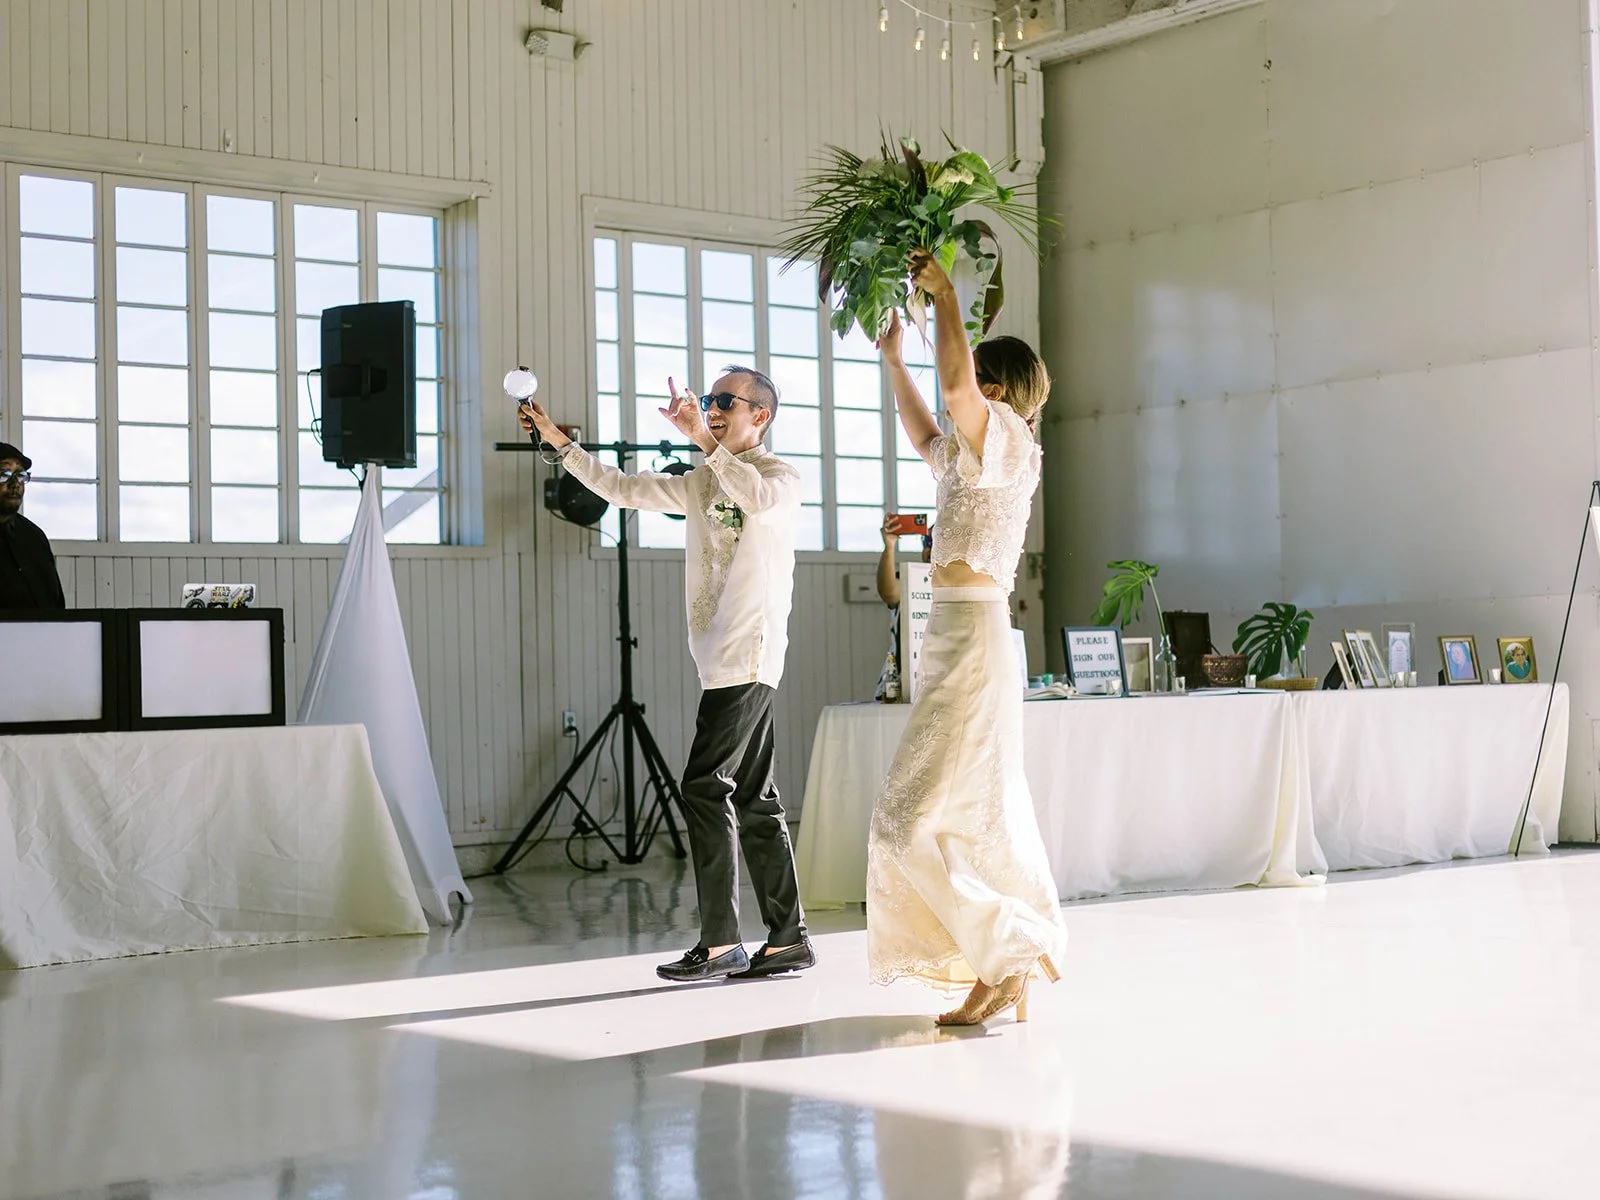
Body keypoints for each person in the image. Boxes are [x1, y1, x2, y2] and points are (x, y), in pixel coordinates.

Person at [518, 366, 814, 983]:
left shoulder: (779, 478)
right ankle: (787, 940)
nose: (710, 408)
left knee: (707, 787)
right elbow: (621, 487)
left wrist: (704, 444)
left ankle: (721, 943)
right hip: (721, 660)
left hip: (747, 652)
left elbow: (755, 502)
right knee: (755, 797)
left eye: (724, 401)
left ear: (760, 415)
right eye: (709, 400)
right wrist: (557, 441)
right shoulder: (702, 480)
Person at [866, 251, 1068, 1026]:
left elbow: (952, 390)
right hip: (949, 637)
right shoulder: (967, 453)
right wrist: (892, 360)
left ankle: (1008, 954)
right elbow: (925, 423)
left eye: (977, 375)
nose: (964, 388)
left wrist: (946, 295)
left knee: (905, 818)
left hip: (977, 639)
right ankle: (1003, 962)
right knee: (958, 815)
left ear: (1001, 389)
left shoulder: (1009, 439)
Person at [0, 442, 66, 610]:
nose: (15, 484)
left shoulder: (34, 537)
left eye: (20, 475)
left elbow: (56, 605)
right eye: (4, 474)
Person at [873, 514, 932, 701]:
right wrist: (889, 547)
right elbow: (889, 592)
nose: (931, 549)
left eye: (938, 542)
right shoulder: (912, 579)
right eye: (927, 542)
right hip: (901, 684)